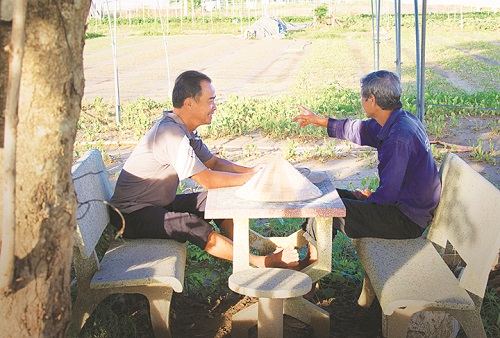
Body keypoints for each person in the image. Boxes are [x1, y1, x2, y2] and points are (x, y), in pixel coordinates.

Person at [109, 70, 298, 268]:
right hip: (130, 215)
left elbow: (213, 163)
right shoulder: (170, 134)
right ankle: (261, 262)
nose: (214, 107)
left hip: (156, 204)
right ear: (190, 102)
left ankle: (259, 245)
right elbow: (207, 179)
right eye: (210, 101)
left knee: (215, 199)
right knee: (187, 223)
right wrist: (249, 179)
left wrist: (251, 171)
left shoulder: (184, 130)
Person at [292, 70, 441, 268]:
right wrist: (320, 121)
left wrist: (367, 200)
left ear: (372, 100)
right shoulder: (400, 120)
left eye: (362, 96)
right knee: (327, 195)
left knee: (326, 209)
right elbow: (357, 129)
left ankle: (311, 266)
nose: (361, 100)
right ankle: (306, 254)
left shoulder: (398, 137)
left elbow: (387, 195)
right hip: (403, 207)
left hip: (405, 221)